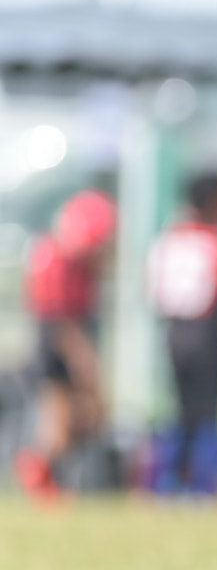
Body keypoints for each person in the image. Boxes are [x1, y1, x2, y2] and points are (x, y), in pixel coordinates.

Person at [16, 186, 116, 498]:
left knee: (78, 417)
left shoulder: (58, 255)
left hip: (61, 337)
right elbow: (60, 320)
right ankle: (40, 479)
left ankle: (54, 481)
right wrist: (83, 355)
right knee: (58, 420)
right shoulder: (56, 259)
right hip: (58, 341)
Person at [147, 173, 217, 497]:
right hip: (205, 328)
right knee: (208, 409)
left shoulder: (169, 238)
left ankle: (166, 481)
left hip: (174, 330)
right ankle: (204, 485)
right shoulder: (215, 240)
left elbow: (154, 289)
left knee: (179, 408)